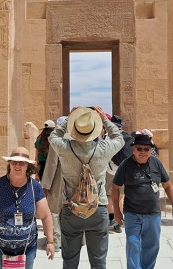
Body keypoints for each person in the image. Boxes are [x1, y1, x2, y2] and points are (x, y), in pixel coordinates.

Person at [49, 106, 124, 269]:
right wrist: (104, 117)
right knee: (98, 262)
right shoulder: (103, 149)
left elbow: (53, 136)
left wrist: (70, 117)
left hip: (71, 209)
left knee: (69, 261)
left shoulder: (64, 148)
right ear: (95, 130)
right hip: (98, 209)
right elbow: (119, 137)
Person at [0, 147, 55, 268]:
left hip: (27, 248)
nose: (17, 165)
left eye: (21, 163)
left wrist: (50, 242)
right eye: (14, 162)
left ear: (27, 166)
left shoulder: (35, 188)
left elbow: (45, 215)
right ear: (10, 164)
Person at [111, 133, 173, 269]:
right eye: (139, 148)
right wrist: (117, 212)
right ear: (133, 149)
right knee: (133, 243)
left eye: (146, 149)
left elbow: (167, 185)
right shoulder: (126, 165)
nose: (142, 152)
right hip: (132, 213)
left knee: (152, 246)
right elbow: (115, 188)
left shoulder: (156, 163)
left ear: (150, 150)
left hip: (153, 213)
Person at [41, 116, 66, 252]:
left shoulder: (56, 141)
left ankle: (56, 241)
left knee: (54, 211)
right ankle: (77, 239)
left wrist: (46, 185)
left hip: (59, 179)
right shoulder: (79, 139)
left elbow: (52, 164)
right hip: (76, 180)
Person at [105, 115, 133, 234]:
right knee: (121, 197)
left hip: (110, 170)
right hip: (124, 171)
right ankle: (118, 222)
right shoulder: (129, 137)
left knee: (109, 196)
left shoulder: (109, 137)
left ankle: (110, 218)